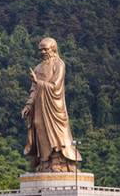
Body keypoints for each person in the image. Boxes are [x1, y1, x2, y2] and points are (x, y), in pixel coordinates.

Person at [21, 38, 81, 172]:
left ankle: (58, 161)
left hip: (54, 106)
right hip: (39, 107)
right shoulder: (37, 68)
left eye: (45, 49)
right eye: (40, 50)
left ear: (53, 49)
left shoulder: (59, 65)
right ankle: (45, 162)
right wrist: (28, 105)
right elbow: (33, 90)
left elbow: (55, 86)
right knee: (38, 126)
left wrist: (38, 82)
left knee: (56, 133)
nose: (42, 52)